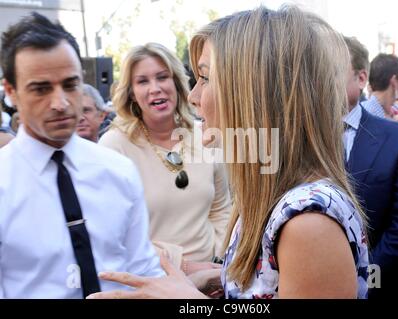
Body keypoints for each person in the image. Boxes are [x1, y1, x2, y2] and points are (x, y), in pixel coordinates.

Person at [88, 5, 369, 299]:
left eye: (206, 78)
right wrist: (219, 278)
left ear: (253, 93)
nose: (194, 97)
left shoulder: (308, 224)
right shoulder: (279, 202)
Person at [0, 12, 164, 298]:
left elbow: (143, 270)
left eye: (70, 84)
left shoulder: (118, 170)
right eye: (41, 89)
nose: (60, 103)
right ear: (10, 92)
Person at [99, 42, 231, 274]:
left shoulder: (206, 135)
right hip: (151, 279)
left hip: (214, 278)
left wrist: (218, 262)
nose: (155, 88)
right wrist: (182, 266)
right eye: (143, 81)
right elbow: (112, 232)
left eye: (162, 77)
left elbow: (221, 208)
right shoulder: (113, 147)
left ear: (177, 83)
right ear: (131, 92)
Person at [344, 36, 398, 300]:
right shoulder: (300, 140)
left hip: (387, 288)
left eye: (329, 69)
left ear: (360, 79)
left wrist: (363, 279)